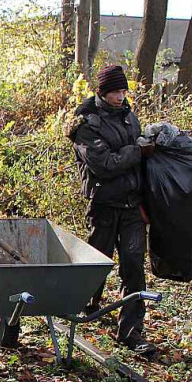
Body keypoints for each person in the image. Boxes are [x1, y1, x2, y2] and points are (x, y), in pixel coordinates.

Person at [66, 64, 157, 356]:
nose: (121, 96)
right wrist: (137, 152)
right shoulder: (85, 125)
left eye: (123, 91)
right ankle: (82, 304)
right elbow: (104, 166)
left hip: (131, 206)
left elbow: (139, 163)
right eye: (116, 92)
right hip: (103, 204)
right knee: (97, 262)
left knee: (134, 267)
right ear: (102, 93)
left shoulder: (130, 118)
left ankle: (131, 332)